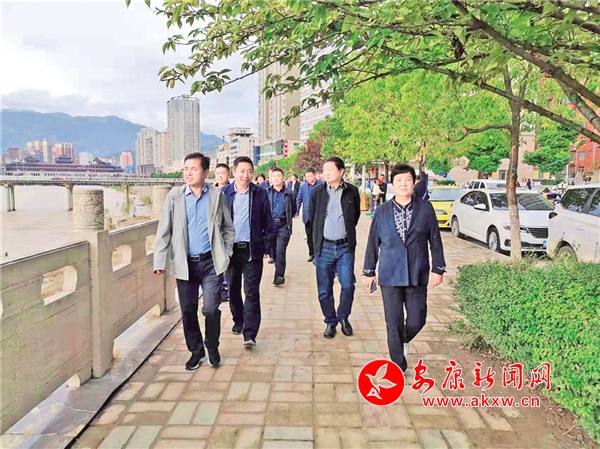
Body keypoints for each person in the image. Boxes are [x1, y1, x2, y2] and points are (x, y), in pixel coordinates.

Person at [154, 152, 235, 370]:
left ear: (206, 173)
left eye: (194, 169)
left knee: (210, 308)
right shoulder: (175, 197)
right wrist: (159, 261)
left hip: (211, 263)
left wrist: (226, 252)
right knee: (188, 310)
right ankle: (196, 352)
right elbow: (164, 230)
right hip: (185, 264)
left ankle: (212, 347)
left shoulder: (216, 196)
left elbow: (228, 228)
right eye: (185, 169)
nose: (188, 173)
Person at [362, 164, 446, 373]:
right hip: (390, 274)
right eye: (398, 180)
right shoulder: (382, 211)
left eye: (407, 180)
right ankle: (398, 365)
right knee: (393, 321)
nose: (403, 184)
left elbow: (435, 240)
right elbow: (372, 242)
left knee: (418, 319)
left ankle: (403, 340)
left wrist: (438, 268)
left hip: (417, 272)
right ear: (392, 183)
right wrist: (369, 271)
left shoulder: (425, 208)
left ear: (413, 182)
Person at [222, 156, 273, 348]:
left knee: (251, 291)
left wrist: (267, 247)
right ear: (234, 172)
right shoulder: (224, 194)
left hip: (252, 250)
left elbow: (268, 221)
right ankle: (238, 320)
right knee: (233, 288)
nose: (246, 175)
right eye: (242, 171)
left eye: (249, 171)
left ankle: (250, 333)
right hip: (230, 251)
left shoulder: (260, 193)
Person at [309, 157, 361, 338]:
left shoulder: (352, 191)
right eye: (324, 170)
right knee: (324, 290)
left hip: (345, 247)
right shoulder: (317, 192)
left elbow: (355, 217)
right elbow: (312, 220)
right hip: (324, 247)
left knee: (348, 285)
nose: (326, 173)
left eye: (330, 169)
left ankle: (343, 317)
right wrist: (313, 248)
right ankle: (330, 321)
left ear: (341, 171)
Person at [266, 168, 297, 285]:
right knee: (273, 251)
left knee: (280, 251)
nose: (276, 178)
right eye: (274, 176)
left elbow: (293, 209)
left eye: (279, 176)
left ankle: (279, 275)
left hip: (283, 226)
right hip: (270, 225)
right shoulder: (266, 192)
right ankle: (278, 267)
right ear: (270, 178)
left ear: (283, 178)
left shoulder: (290, 194)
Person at [295, 168, 323, 262]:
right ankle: (312, 254)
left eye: (310, 176)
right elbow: (299, 199)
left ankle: (319, 254)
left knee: (319, 236)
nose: (309, 178)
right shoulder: (303, 187)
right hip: (307, 216)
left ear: (315, 175)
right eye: (307, 176)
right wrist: (296, 211)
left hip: (319, 215)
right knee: (309, 236)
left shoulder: (322, 185)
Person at [214, 163, 231, 301]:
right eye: (217, 173)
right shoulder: (210, 191)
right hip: (215, 232)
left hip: (229, 232)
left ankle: (226, 288)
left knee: (227, 260)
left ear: (228, 174)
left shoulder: (233, 191)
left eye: (223, 173)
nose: (220, 176)